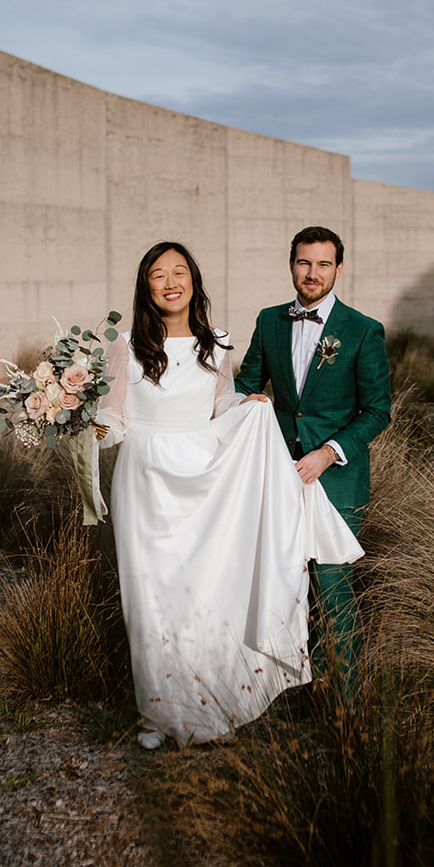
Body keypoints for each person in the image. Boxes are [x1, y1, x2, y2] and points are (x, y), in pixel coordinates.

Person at [98, 240, 362, 749]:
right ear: (145, 286)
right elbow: (113, 416)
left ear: (194, 281)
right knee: (149, 596)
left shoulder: (216, 342)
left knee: (197, 594)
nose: (171, 282)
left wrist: (250, 405)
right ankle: (156, 715)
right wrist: (88, 425)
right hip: (145, 477)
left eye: (180, 272)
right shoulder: (125, 345)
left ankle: (205, 701)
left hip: (203, 477)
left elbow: (221, 406)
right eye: (158, 274)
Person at [235, 226, 391, 692]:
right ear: (291, 265)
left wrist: (328, 453)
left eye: (324, 264)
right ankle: (285, 689)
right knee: (283, 584)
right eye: (304, 263)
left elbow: (378, 411)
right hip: (277, 474)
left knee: (332, 585)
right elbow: (247, 383)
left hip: (337, 479)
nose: (313, 273)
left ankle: (346, 706)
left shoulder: (363, 331)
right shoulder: (269, 321)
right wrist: (248, 405)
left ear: (338, 269)